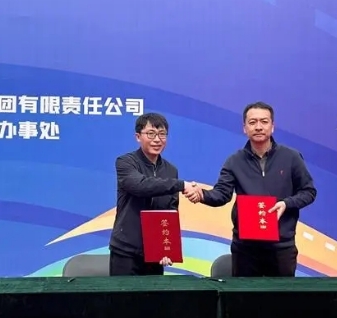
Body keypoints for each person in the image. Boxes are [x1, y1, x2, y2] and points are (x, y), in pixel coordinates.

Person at [184, 101, 316, 277]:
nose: (258, 127)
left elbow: (308, 192)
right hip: (245, 249)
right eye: (252, 122)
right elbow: (221, 194)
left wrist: (286, 203)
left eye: (264, 121)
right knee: (244, 295)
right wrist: (202, 194)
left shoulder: (291, 157)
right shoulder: (234, 161)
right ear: (244, 128)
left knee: (281, 295)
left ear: (272, 126)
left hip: (281, 247)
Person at [109, 112, 198, 276]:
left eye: (162, 134)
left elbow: (171, 211)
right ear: (138, 137)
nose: (157, 139)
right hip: (126, 251)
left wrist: (167, 248)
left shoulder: (171, 170)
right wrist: (181, 185)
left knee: (154, 293)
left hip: (156, 253)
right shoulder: (126, 162)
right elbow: (140, 186)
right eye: (151, 134)